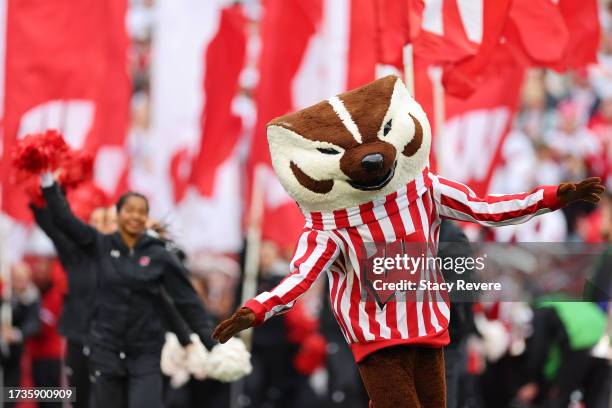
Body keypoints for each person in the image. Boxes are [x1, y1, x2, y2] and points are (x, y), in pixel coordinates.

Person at [39, 173, 215, 408]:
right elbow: (64, 222)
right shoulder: (97, 247)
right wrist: (49, 184)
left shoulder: (158, 256)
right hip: (104, 349)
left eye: (139, 213)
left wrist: (204, 343)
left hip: (144, 350)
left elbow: (180, 302)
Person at [0, 263, 41, 408]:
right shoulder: (5, 293)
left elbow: (34, 324)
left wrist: (16, 334)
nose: (19, 282)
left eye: (22, 279)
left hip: (15, 352)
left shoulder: (31, 297)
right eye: (16, 278)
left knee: (11, 392)